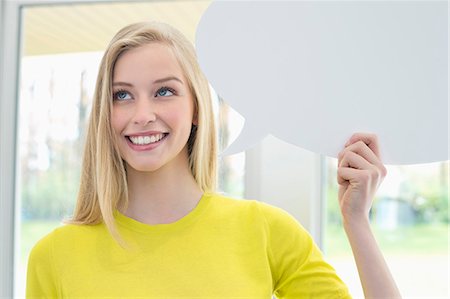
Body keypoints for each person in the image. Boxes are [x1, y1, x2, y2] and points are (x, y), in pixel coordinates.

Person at [26, 21, 401, 299]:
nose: (142, 114)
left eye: (164, 91)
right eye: (122, 96)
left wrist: (357, 223)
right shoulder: (53, 256)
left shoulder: (265, 230)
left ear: (196, 109)